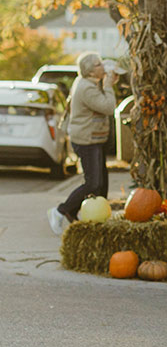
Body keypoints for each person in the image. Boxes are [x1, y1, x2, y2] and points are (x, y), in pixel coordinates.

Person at [47, 52, 117, 235]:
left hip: (95, 140)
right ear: (90, 71)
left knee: (102, 184)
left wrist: (107, 84)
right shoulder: (86, 88)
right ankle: (59, 211)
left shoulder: (90, 84)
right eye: (98, 65)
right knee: (93, 183)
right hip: (87, 141)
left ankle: (90, 218)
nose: (103, 66)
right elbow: (108, 107)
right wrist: (109, 86)